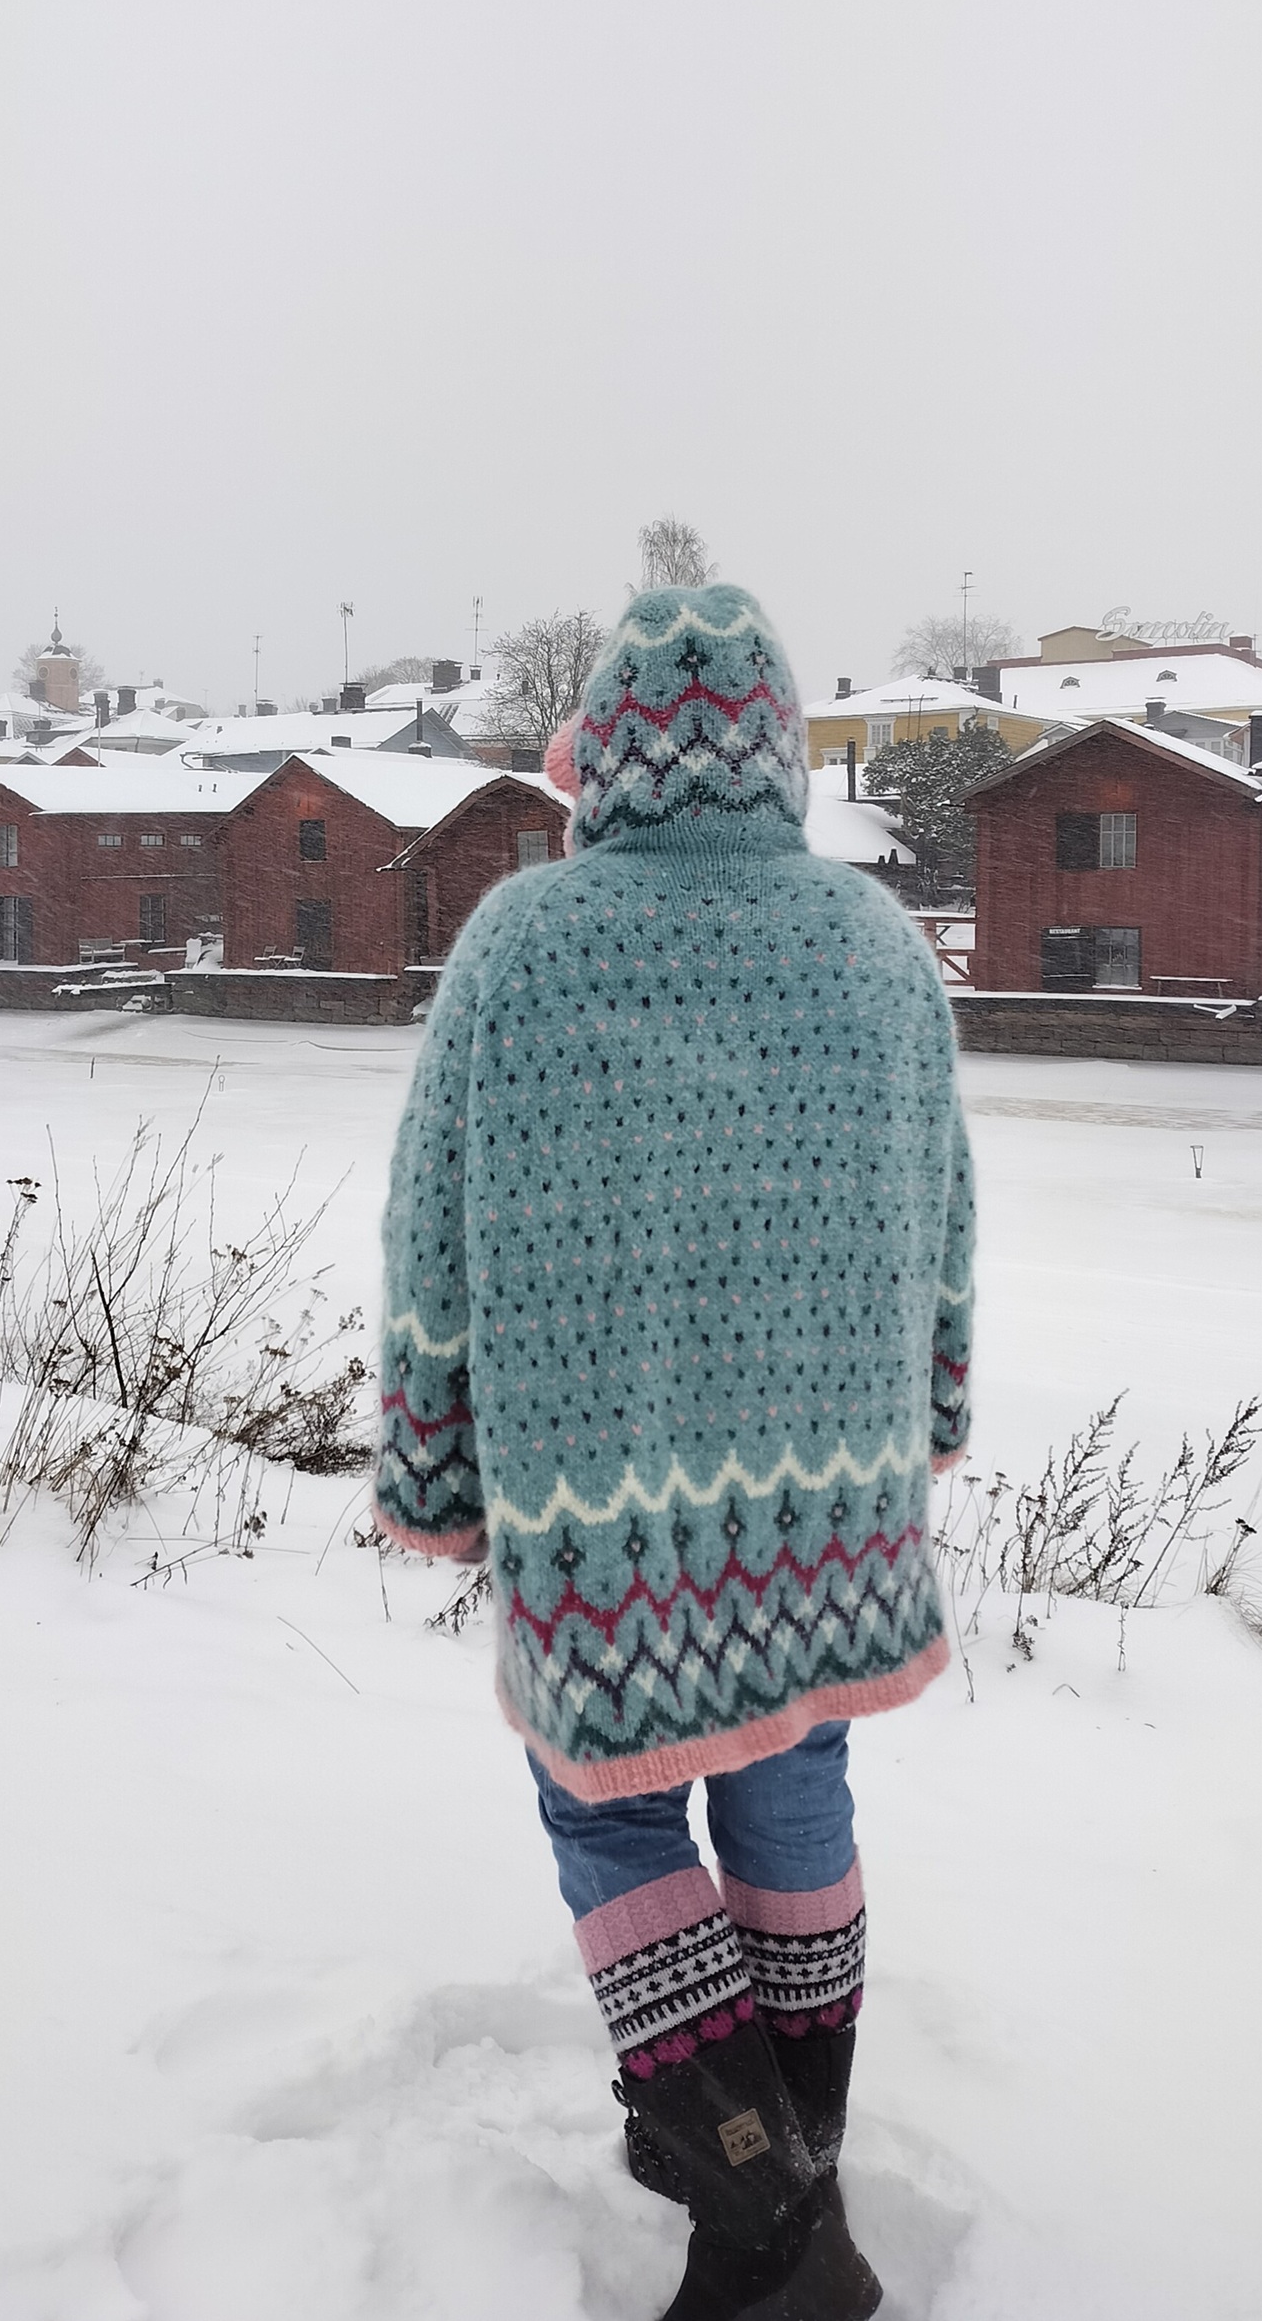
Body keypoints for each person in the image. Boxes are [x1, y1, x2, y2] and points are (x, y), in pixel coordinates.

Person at [375, 583, 974, 2321]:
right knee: (794, 1780)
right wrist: (929, 1415)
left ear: (607, 755)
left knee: (612, 1810)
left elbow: (433, 1239)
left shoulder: (524, 942)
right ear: (775, 746)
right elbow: (946, 1218)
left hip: (606, 1500)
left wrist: (432, 1471)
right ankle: (777, 2136)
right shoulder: (876, 943)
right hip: (832, 1499)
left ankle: (767, 2216)